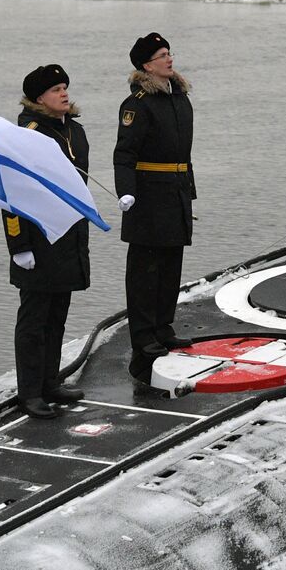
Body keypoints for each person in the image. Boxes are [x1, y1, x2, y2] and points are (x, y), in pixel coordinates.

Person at [5, 64, 90, 419]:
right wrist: (18, 245)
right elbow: (11, 191)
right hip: (38, 239)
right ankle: (29, 392)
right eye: (56, 89)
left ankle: (49, 381)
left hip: (68, 236)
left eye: (65, 87)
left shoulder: (74, 130)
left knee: (57, 315)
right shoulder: (28, 134)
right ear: (39, 98)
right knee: (34, 319)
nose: (64, 94)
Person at [114, 33, 196, 381]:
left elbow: (182, 153)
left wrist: (187, 189)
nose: (169, 59)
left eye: (169, 53)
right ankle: (143, 335)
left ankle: (163, 327)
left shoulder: (179, 97)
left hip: (176, 191)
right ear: (147, 65)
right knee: (145, 270)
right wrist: (127, 191)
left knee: (170, 264)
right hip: (148, 195)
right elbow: (124, 153)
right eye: (162, 55)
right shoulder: (138, 104)